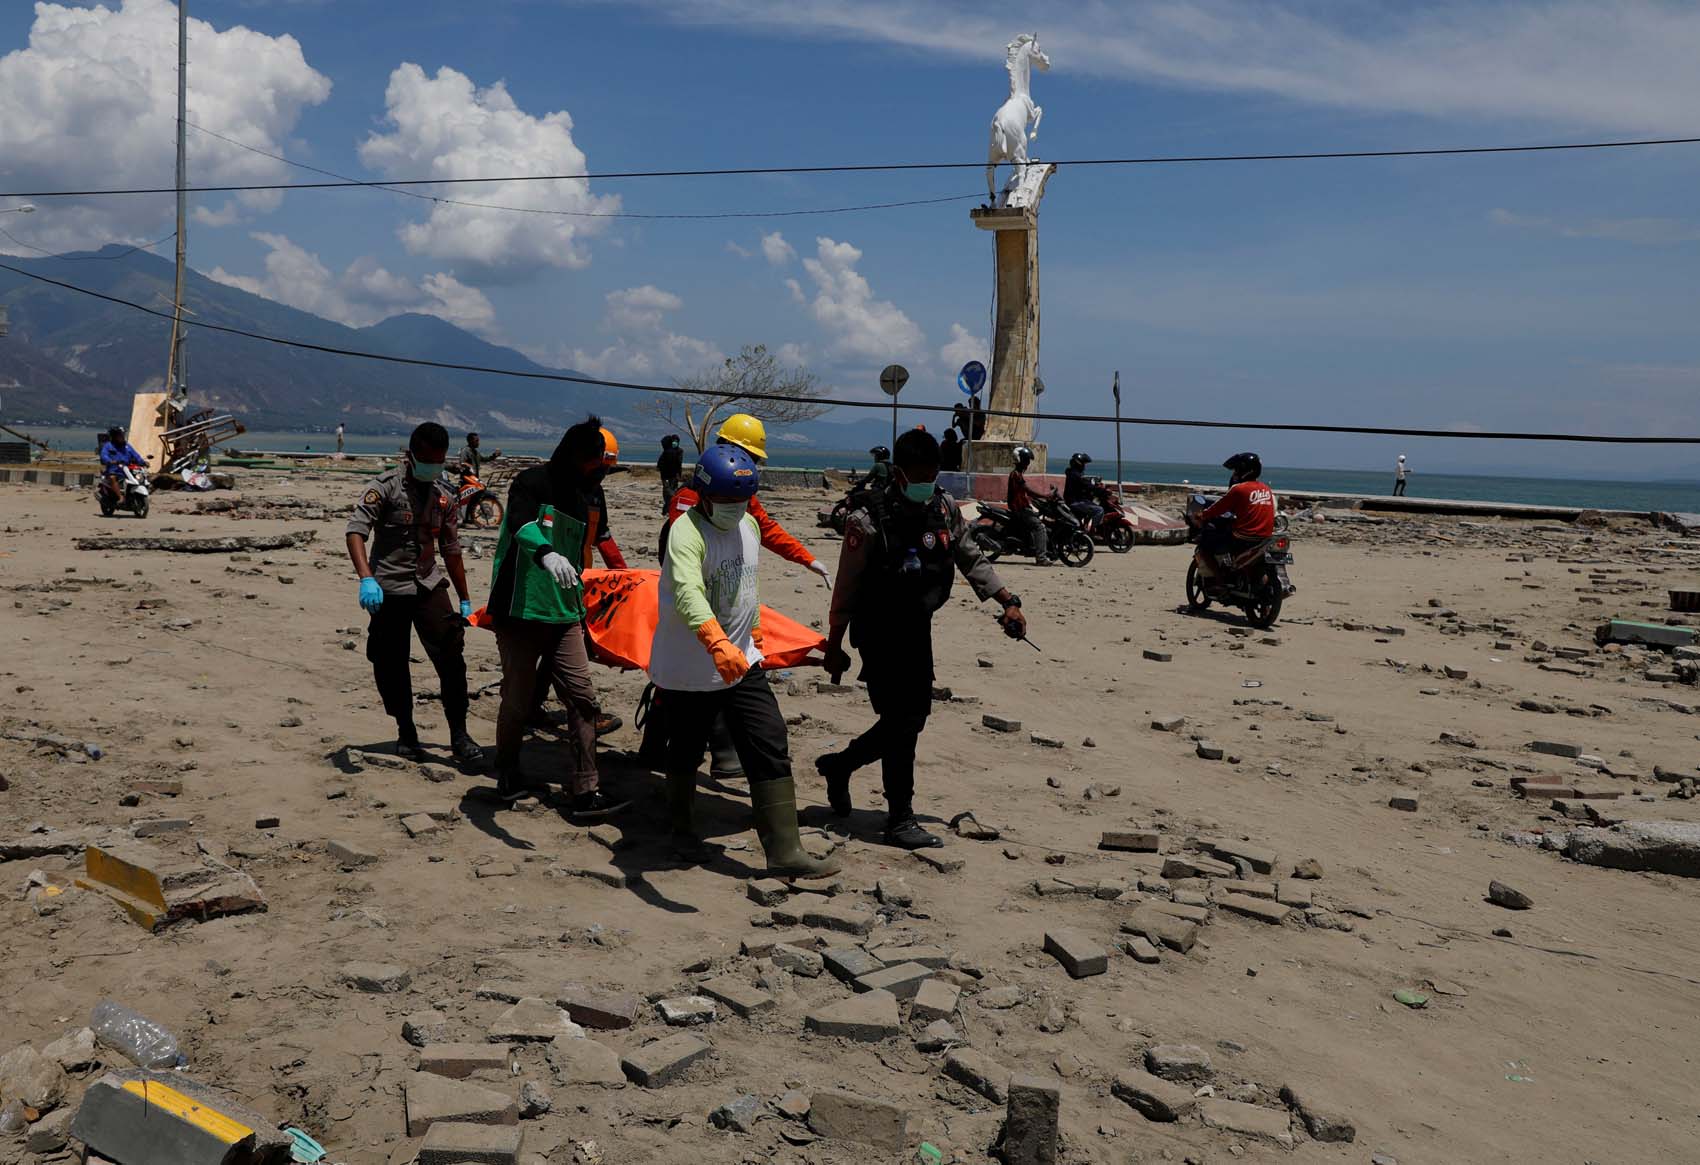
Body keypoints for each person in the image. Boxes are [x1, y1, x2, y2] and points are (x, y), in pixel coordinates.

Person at [818, 428, 1028, 849]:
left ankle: (840, 766)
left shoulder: (943, 507)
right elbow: (847, 584)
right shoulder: (868, 517)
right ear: (898, 472)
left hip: (916, 630)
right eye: (918, 474)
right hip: (877, 631)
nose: (925, 482)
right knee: (903, 722)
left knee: (910, 719)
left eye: (932, 474)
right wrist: (834, 643)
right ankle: (899, 818)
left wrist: (1007, 600)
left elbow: (970, 556)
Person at [650, 444, 840, 877]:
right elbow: (687, 594)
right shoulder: (686, 532)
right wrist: (716, 642)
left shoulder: (749, 526)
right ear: (703, 495)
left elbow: (745, 587)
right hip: (690, 667)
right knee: (684, 751)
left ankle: (785, 852)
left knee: (768, 740)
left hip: (742, 662)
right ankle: (681, 833)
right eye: (726, 501)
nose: (734, 509)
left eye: (742, 501)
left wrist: (751, 636)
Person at [658, 413, 830, 778]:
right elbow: (687, 581)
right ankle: (666, 760)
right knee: (683, 701)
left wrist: (807, 559)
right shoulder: (693, 504)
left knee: (746, 711)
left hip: (730, 621)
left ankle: (724, 759)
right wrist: (714, 637)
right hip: (689, 611)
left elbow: (752, 560)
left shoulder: (741, 505)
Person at [484, 415, 629, 817]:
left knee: (583, 699)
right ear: (575, 456)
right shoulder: (531, 483)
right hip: (520, 612)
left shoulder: (584, 500)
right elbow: (519, 523)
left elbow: (588, 553)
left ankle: (585, 790)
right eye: (594, 463)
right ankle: (508, 772)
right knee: (517, 699)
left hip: (564, 614)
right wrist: (544, 553)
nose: (598, 471)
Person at [344, 422, 479, 764]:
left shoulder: (443, 495)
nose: (434, 467)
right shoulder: (385, 487)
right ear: (411, 455)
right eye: (428, 460)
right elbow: (356, 532)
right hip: (388, 587)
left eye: (440, 460)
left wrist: (464, 598)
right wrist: (366, 578)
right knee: (391, 662)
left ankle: (459, 735)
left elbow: (451, 548)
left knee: (451, 655)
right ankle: (406, 731)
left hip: (428, 584)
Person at [1193, 452, 1277, 575]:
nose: (1234, 473)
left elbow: (1218, 507)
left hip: (1245, 536)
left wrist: (1202, 515)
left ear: (1243, 470)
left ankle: (1219, 580)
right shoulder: (1265, 488)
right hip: (1265, 536)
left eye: (1236, 470)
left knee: (1206, 545)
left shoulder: (1239, 489)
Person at [1007, 445, 1052, 565]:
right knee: (1040, 527)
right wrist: (1044, 495)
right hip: (1019, 508)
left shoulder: (1017, 474)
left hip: (1021, 507)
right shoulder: (1016, 474)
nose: (1027, 463)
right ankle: (1041, 558)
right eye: (1026, 460)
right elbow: (1027, 490)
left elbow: (1025, 492)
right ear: (1020, 460)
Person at [98, 426, 147, 502]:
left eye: (123, 435)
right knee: (112, 478)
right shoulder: (108, 446)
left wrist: (143, 462)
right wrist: (110, 461)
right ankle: (120, 496)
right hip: (114, 470)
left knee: (140, 476)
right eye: (120, 435)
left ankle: (133, 495)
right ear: (114, 436)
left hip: (127, 470)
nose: (122, 437)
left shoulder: (127, 446)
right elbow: (103, 455)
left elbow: (136, 455)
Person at [1064, 452, 1103, 531]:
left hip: (1075, 500)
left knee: (1090, 504)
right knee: (1099, 510)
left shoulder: (1072, 473)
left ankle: (1085, 526)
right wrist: (1100, 489)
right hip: (1075, 502)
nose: (1084, 466)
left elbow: (1084, 483)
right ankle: (1092, 532)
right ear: (1079, 464)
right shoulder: (1075, 475)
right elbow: (1086, 484)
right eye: (1083, 464)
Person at [657, 434, 684, 512]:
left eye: (676, 441)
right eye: (673, 441)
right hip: (667, 475)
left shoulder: (678, 451)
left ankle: (669, 506)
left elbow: (679, 464)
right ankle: (669, 506)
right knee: (668, 490)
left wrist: (679, 474)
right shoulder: (667, 452)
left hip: (672, 475)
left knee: (670, 490)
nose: (674, 443)